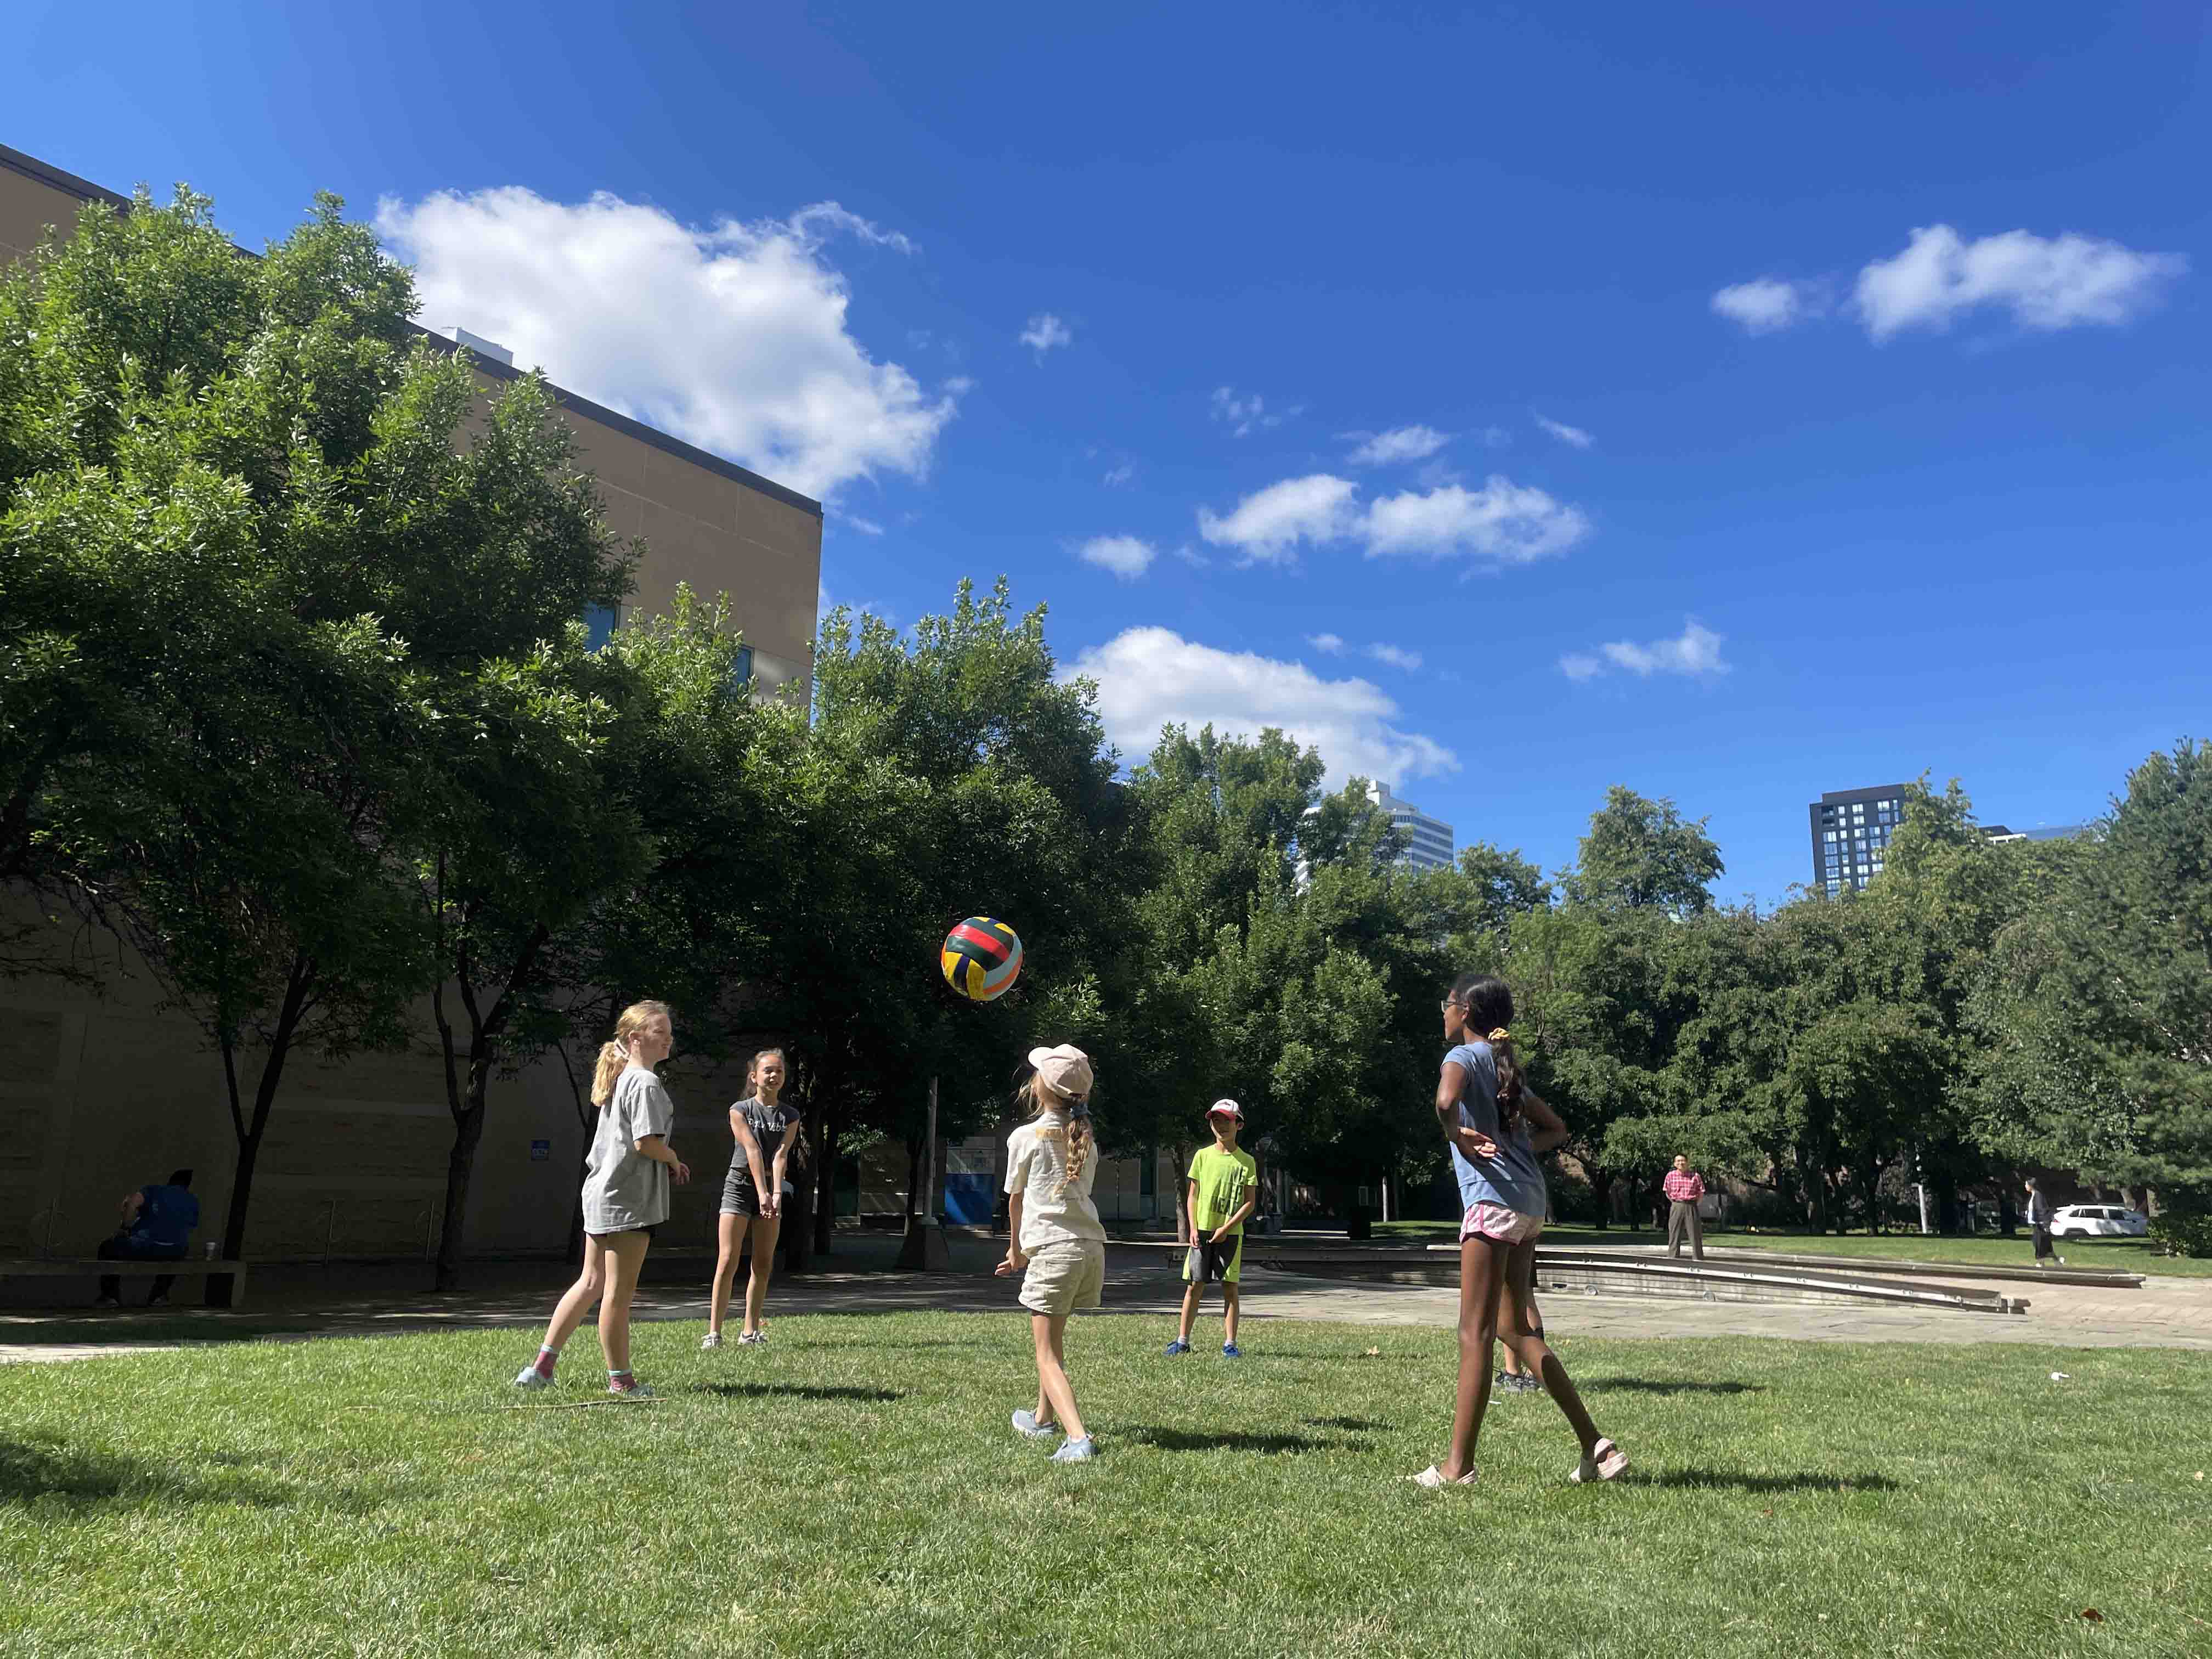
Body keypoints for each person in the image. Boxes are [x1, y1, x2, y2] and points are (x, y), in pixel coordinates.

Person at [1412, 973, 1627, 1489]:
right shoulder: (1506, 1067)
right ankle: (1597, 1447)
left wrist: (1458, 1136)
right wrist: (1518, 1153)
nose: (1442, 1013)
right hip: (1530, 1204)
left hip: (1492, 1204)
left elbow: (1445, 1103)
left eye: (1446, 1005)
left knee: (1474, 1334)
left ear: (1463, 1011)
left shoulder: (1462, 1059)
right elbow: (1557, 1129)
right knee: (1514, 1330)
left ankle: (1457, 1469)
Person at [514, 1000, 690, 1396]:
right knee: (617, 1293)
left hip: (601, 1194)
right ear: (635, 1038)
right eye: (659, 1032)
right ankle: (621, 1381)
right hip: (628, 1199)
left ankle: (540, 1369)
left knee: (590, 1282)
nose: (668, 1039)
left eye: (669, 1031)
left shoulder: (623, 1076)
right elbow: (647, 1143)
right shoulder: (644, 1082)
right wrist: (674, 1158)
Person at [995, 1043, 1105, 1463]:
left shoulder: (1025, 1137)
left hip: (1054, 1250)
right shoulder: (1087, 1139)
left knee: (1045, 1354)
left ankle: (1078, 1438)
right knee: (1054, 1344)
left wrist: (1016, 1251)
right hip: (1090, 1248)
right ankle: (1042, 1419)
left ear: (1042, 1088)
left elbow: (1015, 1202)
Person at [705, 1048, 800, 1349]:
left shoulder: (790, 1115)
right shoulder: (740, 1110)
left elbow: (780, 1155)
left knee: (763, 1262)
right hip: (739, 1185)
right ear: (754, 1077)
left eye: (779, 1072)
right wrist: (762, 1193)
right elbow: (753, 1150)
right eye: (768, 1071)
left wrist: (775, 1194)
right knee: (727, 1260)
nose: (774, 1076)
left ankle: (749, 1331)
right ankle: (714, 1333)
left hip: (770, 1190)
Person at [1165, 1100, 1259, 1359]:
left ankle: (1230, 1344)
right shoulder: (1202, 1156)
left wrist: (1228, 1227)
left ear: (1238, 1124)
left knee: (1230, 1286)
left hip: (1231, 1234)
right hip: (1202, 1233)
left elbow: (1250, 1202)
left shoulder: (1247, 1162)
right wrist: (1194, 1228)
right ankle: (1182, 1340)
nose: (1221, 1126)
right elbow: (1192, 1195)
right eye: (1216, 1120)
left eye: (1227, 1121)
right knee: (1194, 1286)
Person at [95, 1168, 199, 1307]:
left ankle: (110, 1296)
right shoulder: (193, 1201)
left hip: (144, 1247)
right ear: (187, 1186)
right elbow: (187, 1227)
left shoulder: (154, 1190)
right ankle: (159, 1295)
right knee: (176, 1249)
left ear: (170, 1182)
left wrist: (124, 1226)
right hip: (176, 1251)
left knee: (107, 1248)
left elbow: (133, 1203)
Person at [1664, 1154, 1707, 1260]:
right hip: (1677, 1206)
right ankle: (1672, 1258)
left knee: (1695, 1234)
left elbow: (1701, 1192)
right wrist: (1676, 1202)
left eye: (1683, 1161)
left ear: (1687, 1162)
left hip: (1691, 1206)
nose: (1681, 1163)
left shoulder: (1695, 1176)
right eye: (1678, 1161)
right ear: (1675, 1164)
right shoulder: (1670, 1176)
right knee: (1674, 1233)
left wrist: (1695, 1204)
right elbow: (1667, 1192)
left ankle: (1698, 1259)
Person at [2025, 1175, 2064, 1267]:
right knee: (2045, 1245)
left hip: (2041, 1224)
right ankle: (2057, 1260)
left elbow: (2042, 1210)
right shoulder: (2034, 1196)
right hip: (2037, 1224)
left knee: (2038, 1243)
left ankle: (2041, 1262)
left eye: (2026, 1184)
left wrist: (2046, 1225)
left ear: (2031, 1186)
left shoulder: (2037, 1196)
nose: (2025, 1186)